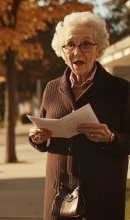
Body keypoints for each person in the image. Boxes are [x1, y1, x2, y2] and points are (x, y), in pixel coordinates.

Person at [29, 11, 130, 220]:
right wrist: (37, 138)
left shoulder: (122, 91)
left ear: (99, 49)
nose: (77, 51)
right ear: (62, 50)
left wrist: (111, 138)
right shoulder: (52, 88)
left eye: (85, 44)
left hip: (102, 196)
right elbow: (42, 135)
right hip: (59, 195)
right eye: (70, 44)